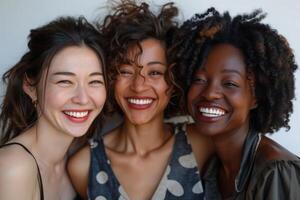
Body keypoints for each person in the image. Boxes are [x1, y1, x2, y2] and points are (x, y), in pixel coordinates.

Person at [68, 1, 213, 200]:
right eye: (126, 71)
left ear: (175, 80)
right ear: (110, 77)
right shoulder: (84, 165)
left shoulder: (201, 144)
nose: (138, 86)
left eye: (155, 72)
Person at [171, 7, 300, 200]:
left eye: (229, 83)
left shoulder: (275, 171)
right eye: (199, 79)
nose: (210, 93)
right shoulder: (212, 167)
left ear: (256, 97)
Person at [0, 16, 108, 200]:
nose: (82, 98)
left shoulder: (77, 158)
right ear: (31, 86)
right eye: (65, 81)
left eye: (94, 81)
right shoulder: (12, 168)